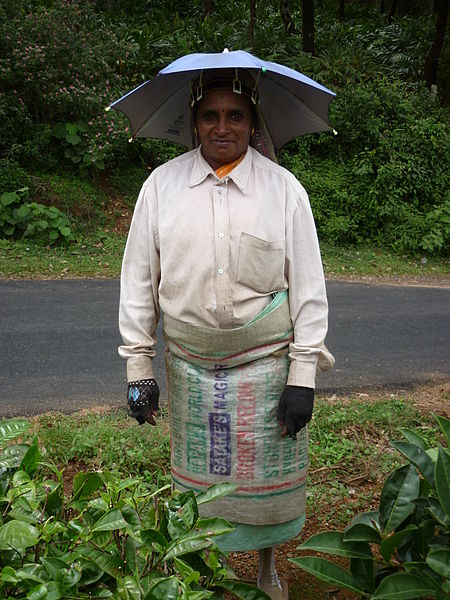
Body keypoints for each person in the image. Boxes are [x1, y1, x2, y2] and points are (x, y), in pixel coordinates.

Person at [119, 68, 334, 600]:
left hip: (266, 361)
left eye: (235, 115)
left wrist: (303, 374)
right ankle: (204, 570)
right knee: (201, 478)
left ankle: (266, 569)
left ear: (252, 122)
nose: (222, 127)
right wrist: (138, 367)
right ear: (193, 122)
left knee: (263, 473)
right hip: (190, 362)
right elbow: (139, 281)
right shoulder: (160, 187)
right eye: (210, 115)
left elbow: (307, 286)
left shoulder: (284, 191)